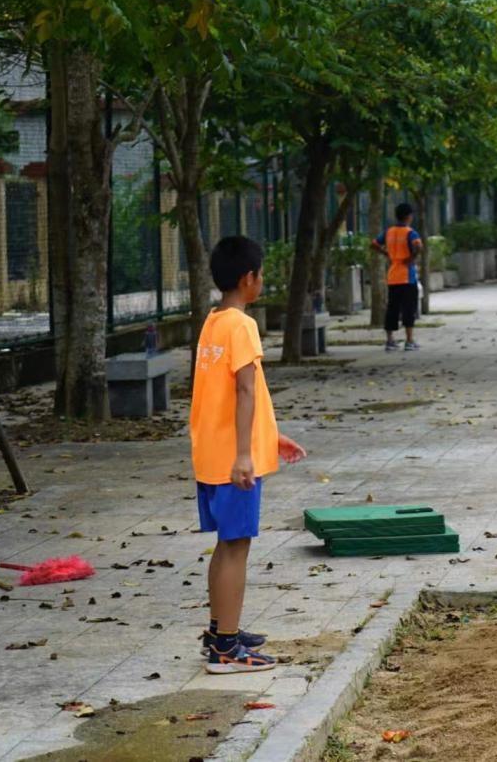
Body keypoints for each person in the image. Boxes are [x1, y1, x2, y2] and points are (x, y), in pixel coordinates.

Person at [192, 236, 307, 674]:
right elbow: (242, 389)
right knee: (236, 547)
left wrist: (268, 437)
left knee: (227, 545)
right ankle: (225, 649)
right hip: (232, 461)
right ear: (248, 278)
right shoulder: (242, 326)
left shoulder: (214, 321)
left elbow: (231, 394)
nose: (263, 281)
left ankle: (223, 629)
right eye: (261, 274)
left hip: (215, 452)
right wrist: (245, 454)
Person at [372, 202, 424, 351]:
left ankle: (390, 341)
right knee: (409, 308)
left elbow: (374, 243)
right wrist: (412, 257)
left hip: (393, 276)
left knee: (392, 308)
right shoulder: (410, 232)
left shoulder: (388, 232)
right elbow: (419, 246)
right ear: (408, 216)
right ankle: (409, 340)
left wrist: (386, 253)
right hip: (407, 277)